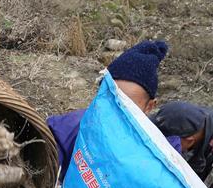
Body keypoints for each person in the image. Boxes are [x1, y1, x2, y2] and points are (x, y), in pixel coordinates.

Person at [48, 40, 169, 180]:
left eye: (128, 106)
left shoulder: (156, 153)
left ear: (149, 106)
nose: (116, 111)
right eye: (110, 99)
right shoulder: (70, 128)